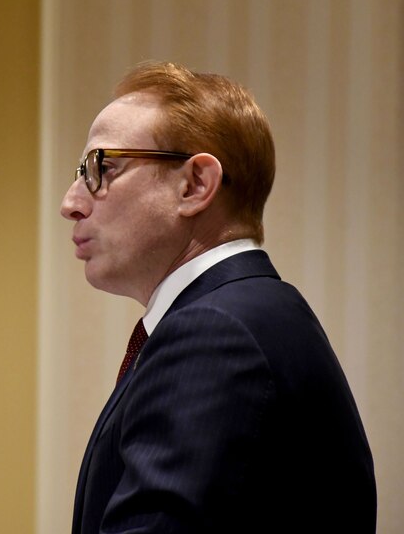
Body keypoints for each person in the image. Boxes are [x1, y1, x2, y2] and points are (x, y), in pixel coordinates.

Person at [60, 61, 376, 534]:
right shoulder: (257, 313)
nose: (71, 202)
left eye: (102, 168)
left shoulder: (213, 333)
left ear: (195, 185)